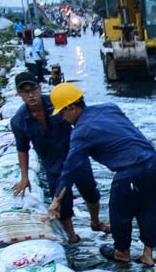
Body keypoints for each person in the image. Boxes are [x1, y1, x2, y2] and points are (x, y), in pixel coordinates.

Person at [49, 83, 156, 266]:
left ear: (72, 107)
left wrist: (56, 200)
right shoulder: (109, 107)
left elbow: (71, 168)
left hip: (131, 172)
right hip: (152, 164)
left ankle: (122, 252)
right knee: (148, 208)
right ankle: (148, 254)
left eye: (62, 112)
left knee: (120, 213)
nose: (62, 118)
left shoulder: (81, 132)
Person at [10, 73, 108, 244]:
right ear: (19, 94)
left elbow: (80, 117)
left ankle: (95, 222)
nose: (31, 95)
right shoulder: (19, 121)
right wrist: (24, 177)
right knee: (62, 202)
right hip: (52, 164)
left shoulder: (57, 102)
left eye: (33, 89)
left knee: (90, 192)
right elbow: (22, 149)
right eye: (25, 92)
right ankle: (71, 235)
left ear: (39, 88)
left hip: (75, 155)